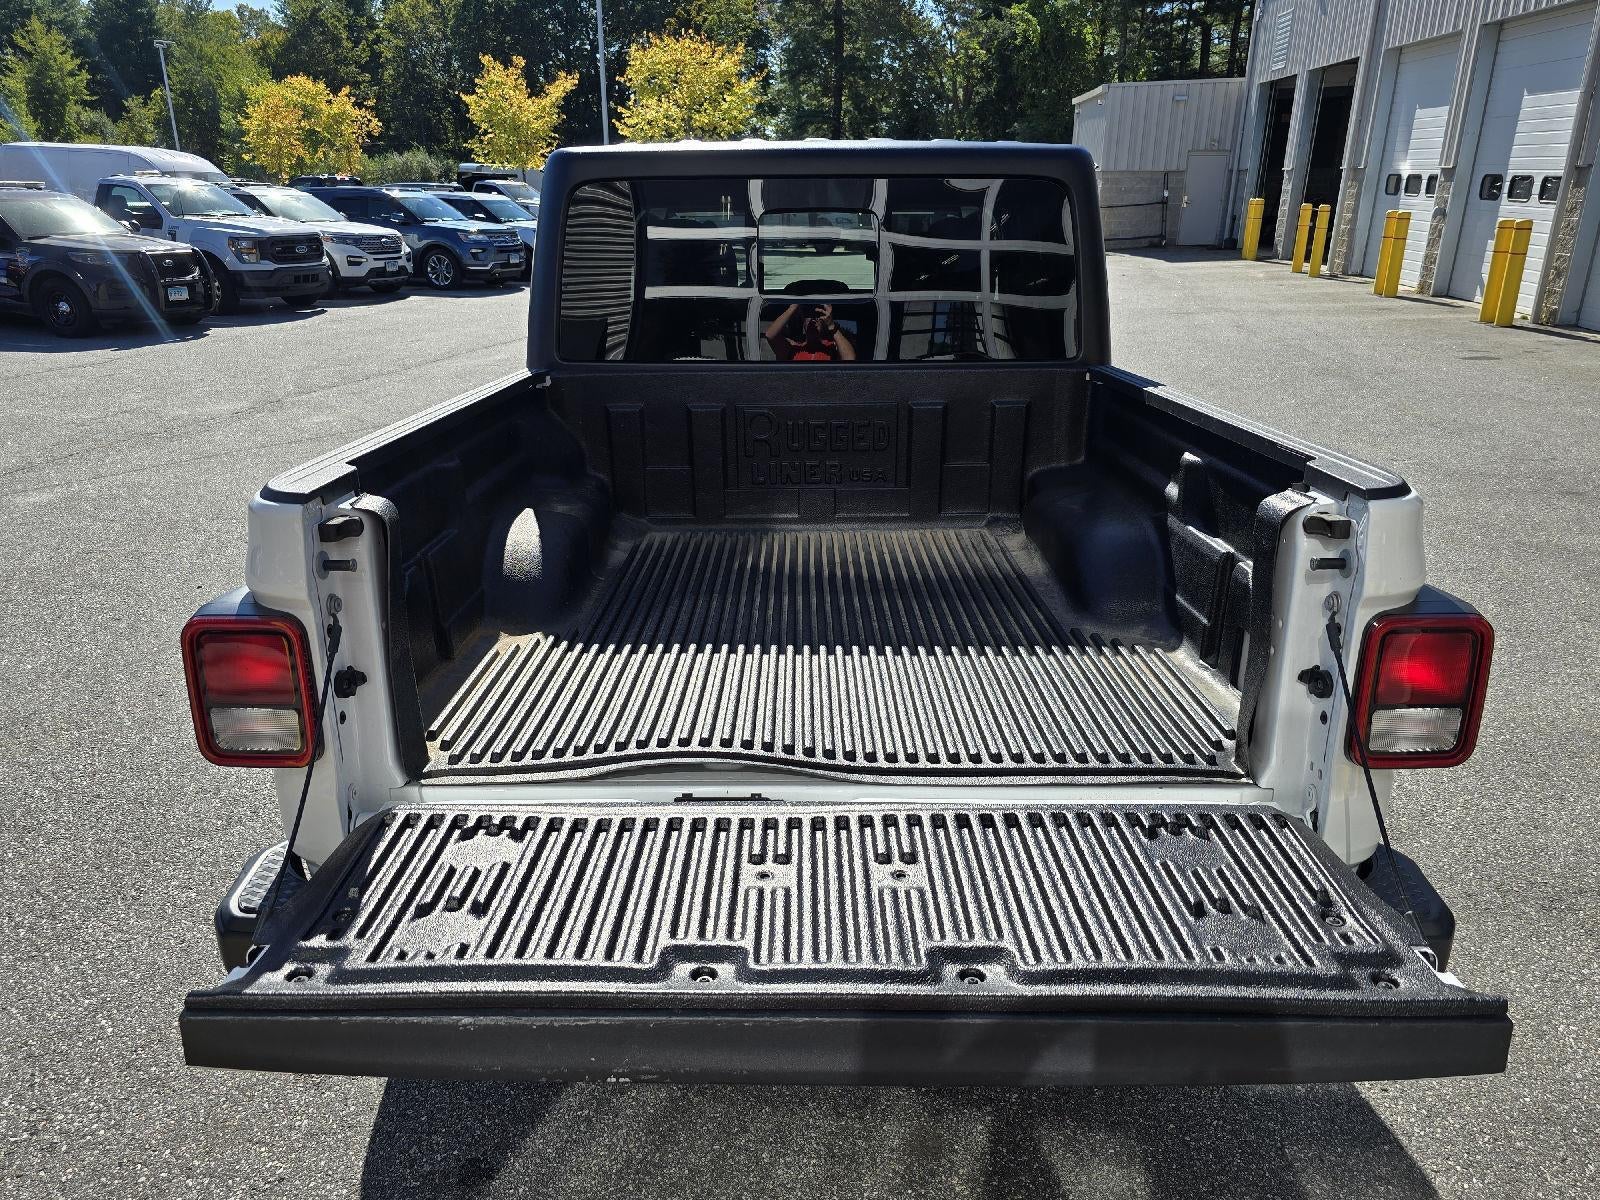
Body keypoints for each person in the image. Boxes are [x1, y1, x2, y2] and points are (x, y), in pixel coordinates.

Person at [764, 302, 856, 361]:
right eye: (808, 314)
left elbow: (850, 359)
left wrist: (831, 325)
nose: (813, 318)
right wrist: (794, 306)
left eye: (818, 315)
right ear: (803, 321)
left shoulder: (832, 349)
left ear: (824, 321)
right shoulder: (793, 349)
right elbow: (770, 335)